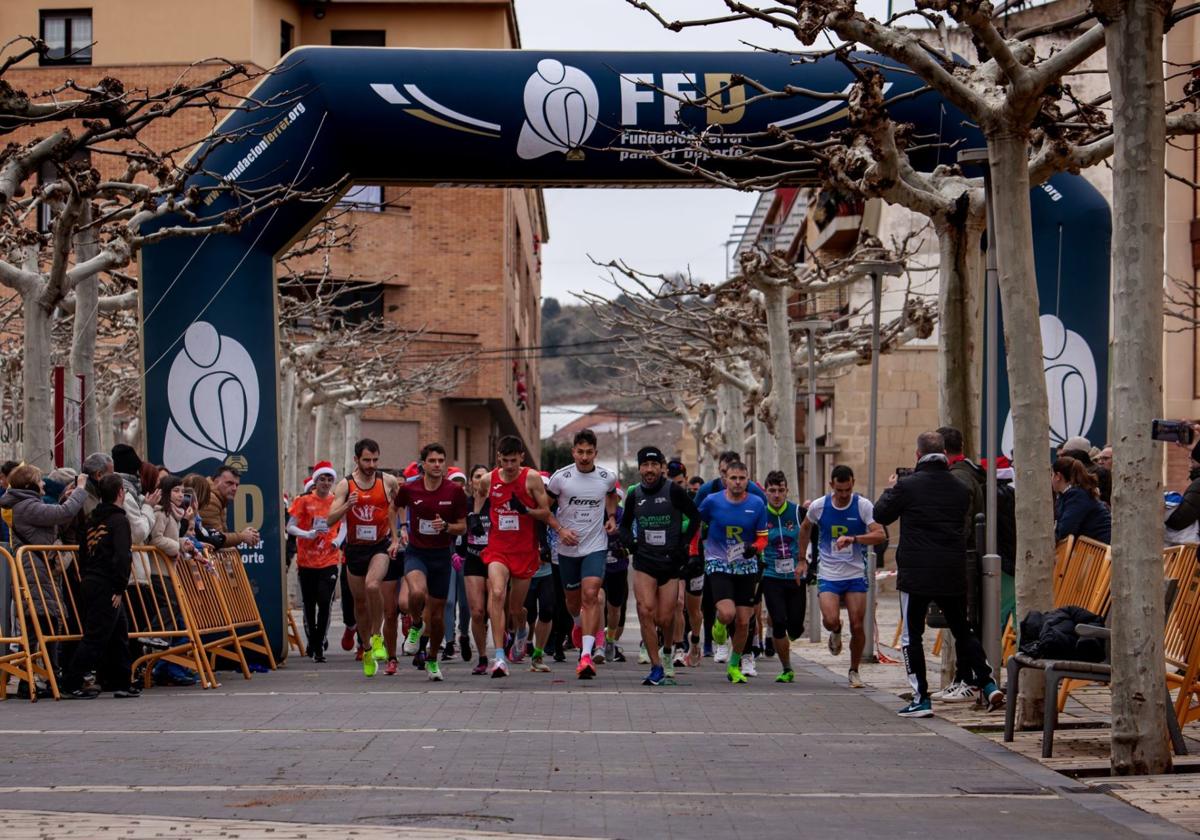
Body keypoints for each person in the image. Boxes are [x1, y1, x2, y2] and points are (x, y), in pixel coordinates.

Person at [874, 431, 1004, 717]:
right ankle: (988, 682)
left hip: (916, 574)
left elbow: (880, 514)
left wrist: (893, 487)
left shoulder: (907, 487)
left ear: (918, 455)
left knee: (912, 636)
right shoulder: (959, 488)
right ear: (945, 453)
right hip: (951, 571)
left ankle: (921, 697)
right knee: (962, 629)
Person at [797, 465, 885, 688]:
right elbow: (805, 528)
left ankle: (854, 670)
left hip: (855, 572)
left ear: (852, 483)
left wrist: (854, 539)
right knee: (830, 620)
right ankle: (835, 631)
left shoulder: (863, 506)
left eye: (847, 490)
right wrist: (800, 559)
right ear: (831, 486)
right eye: (839, 490)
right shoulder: (820, 506)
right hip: (829, 572)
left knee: (857, 625)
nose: (844, 495)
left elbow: (880, 534)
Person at [622, 446, 701, 686]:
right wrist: (631, 544)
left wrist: (684, 545)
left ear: (661, 468)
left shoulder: (674, 491)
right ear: (639, 468)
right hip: (645, 560)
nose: (649, 470)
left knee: (665, 618)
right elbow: (625, 525)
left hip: (670, 561)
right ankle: (656, 667)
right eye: (645, 465)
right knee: (645, 610)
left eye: (654, 465)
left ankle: (667, 652)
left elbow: (696, 517)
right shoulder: (635, 494)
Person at [546, 429, 619, 679]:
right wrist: (560, 529)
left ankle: (586, 656)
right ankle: (578, 625)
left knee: (591, 595)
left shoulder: (606, 477)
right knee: (573, 602)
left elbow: (611, 496)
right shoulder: (560, 478)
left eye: (589, 452)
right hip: (567, 549)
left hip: (595, 545)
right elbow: (544, 510)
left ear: (596, 453)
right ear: (573, 452)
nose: (584, 457)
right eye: (580, 452)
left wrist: (610, 517)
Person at [481, 435, 556, 678]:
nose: (509, 466)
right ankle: (500, 657)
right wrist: (474, 520)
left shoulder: (531, 478)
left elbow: (545, 512)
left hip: (524, 551)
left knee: (516, 609)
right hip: (498, 549)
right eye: (505, 461)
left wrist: (525, 510)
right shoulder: (487, 480)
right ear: (498, 459)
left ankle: (521, 629)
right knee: (497, 593)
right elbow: (479, 504)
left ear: (521, 457)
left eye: (513, 461)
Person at [327, 439, 402, 678]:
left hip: (379, 545)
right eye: (366, 460)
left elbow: (401, 506)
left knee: (373, 585)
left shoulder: (387, 481)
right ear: (356, 459)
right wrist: (346, 506)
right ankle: (367, 649)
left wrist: (399, 534)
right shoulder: (345, 485)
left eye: (375, 460)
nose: (371, 465)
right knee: (359, 603)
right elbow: (330, 519)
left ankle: (377, 637)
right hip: (355, 549)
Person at [394, 443, 469, 681]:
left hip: (441, 556)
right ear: (423, 464)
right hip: (417, 553)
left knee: (437, 619)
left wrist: (447, 527)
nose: (437, 465)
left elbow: (462, 526)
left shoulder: (454, 491)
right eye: (433, 461)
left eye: (441, 460)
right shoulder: (410, 488)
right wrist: (399, 532)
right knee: (416, 593)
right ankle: (416, 625)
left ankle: (433, 659)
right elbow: (394, 507)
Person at [61, 473, 138, 699]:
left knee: (119, 632)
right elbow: (123, 556)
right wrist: (119, 587)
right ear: (121, 493)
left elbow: (83, 552)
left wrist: (87, 576)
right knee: (95, 636)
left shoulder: (92, 518)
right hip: (107, 583)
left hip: (91, 580)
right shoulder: (119, 521)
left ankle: (121, 681)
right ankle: (70, 682)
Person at [697, 460, 767, 685]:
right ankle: (718, 626)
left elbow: (763, 537)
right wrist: (693, 549)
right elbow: (699, 524)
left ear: (748, 479)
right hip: (719, 563)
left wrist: (754, 548)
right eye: (733, 478)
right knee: (727, 614)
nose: (737, 482)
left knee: (744, 622)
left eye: (742, 478)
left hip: (746, 566)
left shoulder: (757, 504)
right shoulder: (712, 501)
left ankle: (734, 664)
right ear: (725, 479)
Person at [287, 461, 343, 663]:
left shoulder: (336, 501)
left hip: (328, 559)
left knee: (325, 603)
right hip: (306, 560)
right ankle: (313, 639)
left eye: (329, 479)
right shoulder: (303, 501)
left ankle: (319, 643)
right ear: (315, 480)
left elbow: (344, 524)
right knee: (309, 604)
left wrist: (337, 540)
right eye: (322, 479)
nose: (326, 483)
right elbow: (290, 527)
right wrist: (307, 534)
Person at [462, 464, 493, 675]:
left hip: (495, 560)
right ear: (471, 481)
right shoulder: (465, 504)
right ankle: (482, 657)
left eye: (485, 477)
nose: (481, 480)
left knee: (494, 609)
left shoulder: (495, 503)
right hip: (473, 559)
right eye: (477, 476)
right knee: (477, 612)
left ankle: (504, 638)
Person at [442, 467, 472, 663]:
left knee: (466, 603)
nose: (459, 485)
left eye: (462, 481)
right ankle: (449, 641)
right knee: (449, 601)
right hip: (448, 556)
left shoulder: (471, 504)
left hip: (468, 558)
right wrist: (452, 553)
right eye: (455, 482)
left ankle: (464, 635)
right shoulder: (445, 503)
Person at [1052, 456, 1111, 543]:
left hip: (1099, 549)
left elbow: (1065, 530)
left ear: (1058, 476)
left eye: (1051, 475)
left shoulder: (1076, 496)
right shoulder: (1070, 495)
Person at [200, 465, 260, 548]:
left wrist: (245, 535)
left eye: (237, 485)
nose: (234, 488)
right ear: (216, 482)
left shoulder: (221, 499)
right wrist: (243, 536)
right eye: (229, 483)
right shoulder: (211, 499)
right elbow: (217, 539)